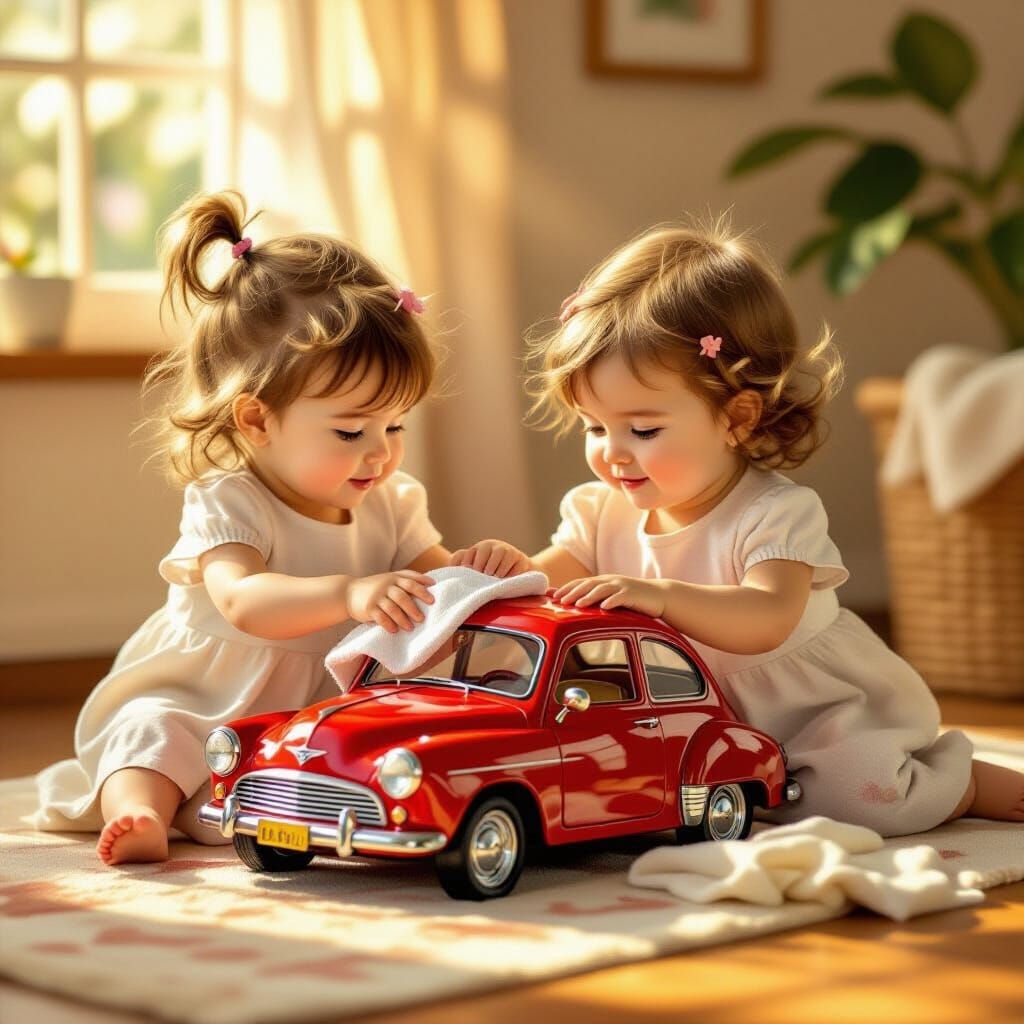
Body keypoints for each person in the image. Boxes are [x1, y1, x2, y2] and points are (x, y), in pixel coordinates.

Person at [455, 218, 1024, 836]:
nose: (612, 452)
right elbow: (546, 584)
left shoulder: (774, 513)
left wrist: (663, 597)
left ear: (737, 417)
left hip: (815, 714)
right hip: (702, 713)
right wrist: (504, 570)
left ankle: (959, 781)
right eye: (595, 427)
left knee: (860, 802)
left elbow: (766, 618)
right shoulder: (600, 510)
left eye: (642, 430)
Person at [34, 190, 469, 864]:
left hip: (312, 706)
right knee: (152, 735)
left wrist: (479, 570)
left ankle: (239, 806)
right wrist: (351, 594)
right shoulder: (231, 500)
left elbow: (439, 583)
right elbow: (244, 601)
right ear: (258, 421)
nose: (380, 451)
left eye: (396, 424)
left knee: (346, 755)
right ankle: (141, 813)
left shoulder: (393, 500)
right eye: (352, 429)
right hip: (202, 692)